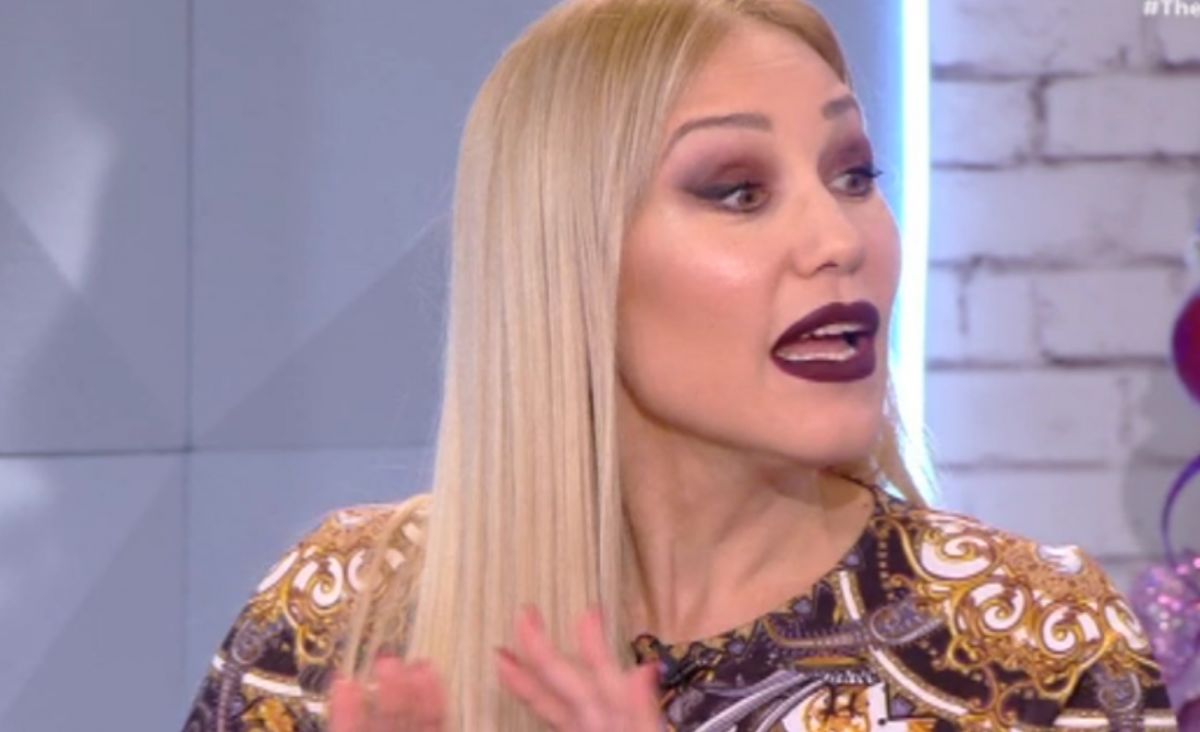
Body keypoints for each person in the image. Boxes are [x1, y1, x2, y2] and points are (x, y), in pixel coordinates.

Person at [180, 0, 1181, 729]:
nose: (838, 239)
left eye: (854, 175)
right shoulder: (337, 620)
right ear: (573, 260)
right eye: (738, 191)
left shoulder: (1032, 647)